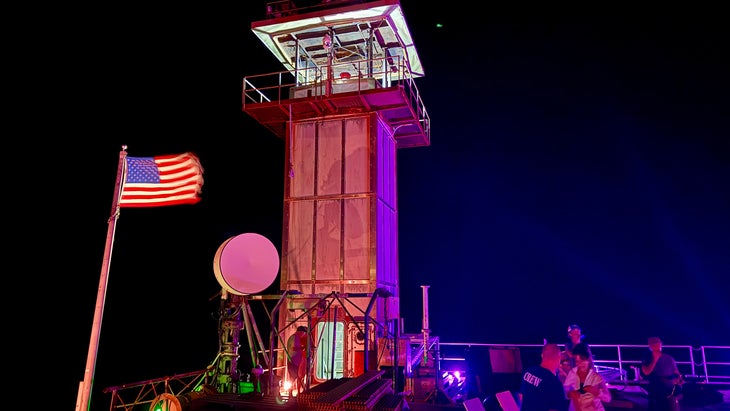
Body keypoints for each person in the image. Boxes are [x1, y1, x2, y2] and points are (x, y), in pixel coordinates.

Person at [519, 343, 569, 411]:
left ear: (542, 356)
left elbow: (521, 396)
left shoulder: (528, 371)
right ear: (559, 358)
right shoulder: (555, 383)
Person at [563, 344, 611, 411]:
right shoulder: (572, 373)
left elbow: (608, 398)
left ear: (588, 359)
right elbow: (564, 393)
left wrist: (596, 392)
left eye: (582, 361)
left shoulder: (596, 377)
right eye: (577, 362)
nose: (579, 364)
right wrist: (570, 394)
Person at [641, 337, 682, 411]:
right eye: (655, 344)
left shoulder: (668, 358)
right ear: (650, 346)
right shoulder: (647, 358)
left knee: (673, 404)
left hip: (670, 387)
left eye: (659, 344)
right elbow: (646, 372)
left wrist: (679, 379)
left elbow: (676, 372)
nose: (658, 346)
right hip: (656, 387)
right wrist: (655, 359)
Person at [287, 325, 309, 396]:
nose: (304, 335)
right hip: (294, 360)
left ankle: (292, 392)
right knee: (295, 377)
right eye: (303, 333)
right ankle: (292, 393)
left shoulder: (292, 337)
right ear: (300, 332)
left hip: (292, 360)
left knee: (293, 377)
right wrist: (302, 348)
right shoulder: (295, 338)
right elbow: (294, 348)